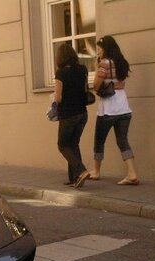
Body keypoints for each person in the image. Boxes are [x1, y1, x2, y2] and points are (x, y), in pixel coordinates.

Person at [90, 35, 138, 185]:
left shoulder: (105, 63)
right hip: (123, 106)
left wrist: (96, 84)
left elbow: (96, 84)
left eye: (99, 48)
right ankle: (132, 173)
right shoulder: (121, 62)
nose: (98, 50)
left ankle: (96, 171)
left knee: (99, 140)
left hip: (108, 107)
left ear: (106, 48)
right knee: (123, 140)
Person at [53, 44, 90, 188]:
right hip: (82, 113)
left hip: (68, 114)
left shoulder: (61, 73)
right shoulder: (83, 70)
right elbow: (85, 89)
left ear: (60, 57)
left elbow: (58, 98)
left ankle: (81, 171)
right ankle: (75, 178)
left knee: (62, 145)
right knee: (73, 144)